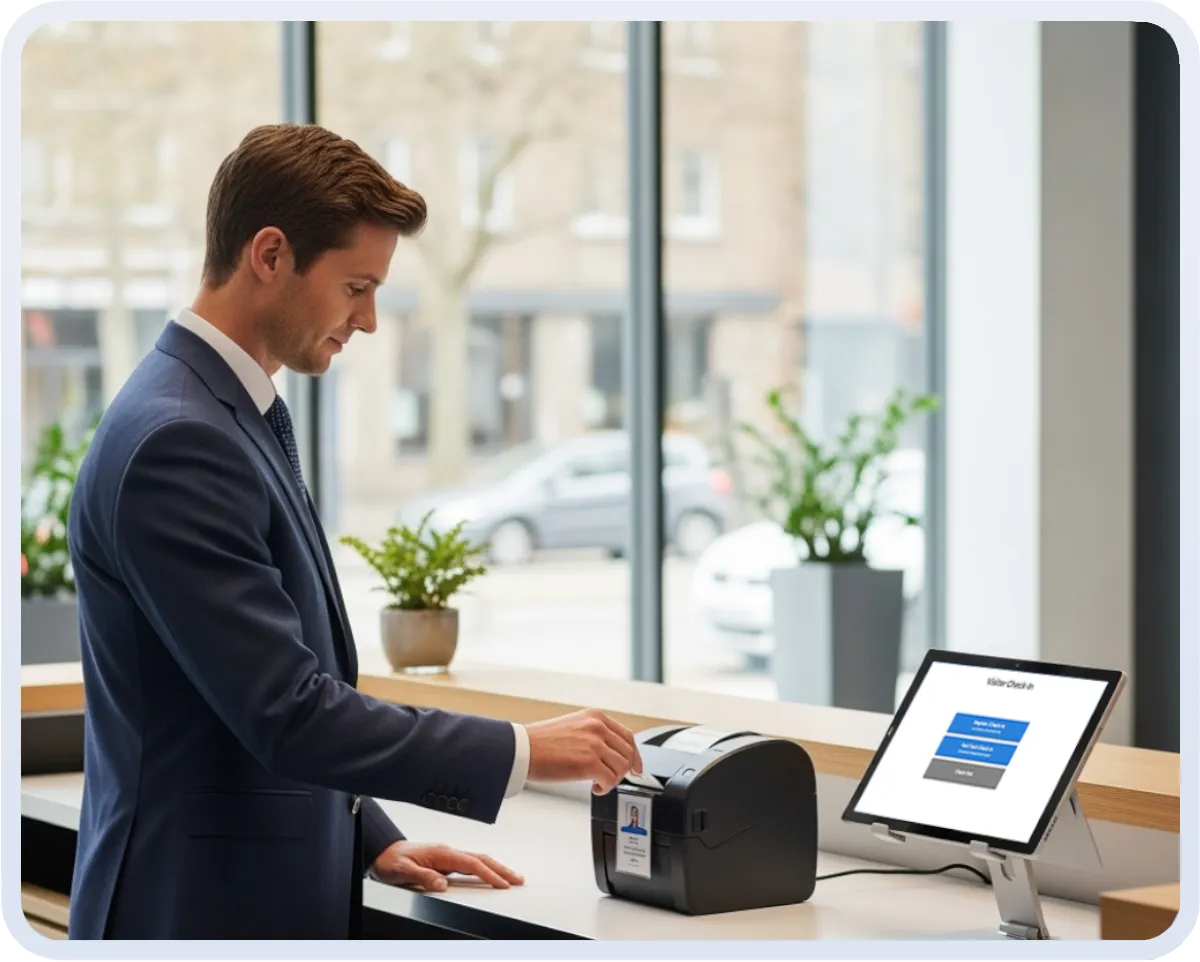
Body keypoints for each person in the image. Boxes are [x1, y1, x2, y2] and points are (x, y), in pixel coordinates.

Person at [65, 123, 644, 940]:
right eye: (355, 287)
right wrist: (523, 750)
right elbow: (287, 710)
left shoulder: (219, 411)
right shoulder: (180, 439)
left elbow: (229, 697)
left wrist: (364, 837)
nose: (369, 320)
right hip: (193, 910)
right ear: (269, 254)